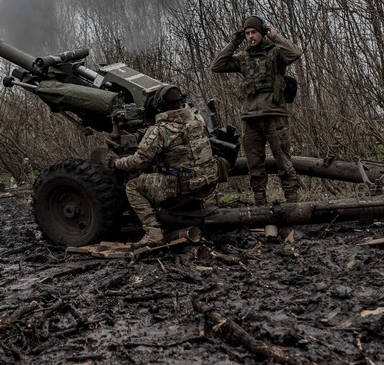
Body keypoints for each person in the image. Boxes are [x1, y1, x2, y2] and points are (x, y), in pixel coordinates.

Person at [109, 85, 221, 248]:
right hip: (208, 182)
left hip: (184, 187)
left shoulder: (160, 130)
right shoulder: (198, 119)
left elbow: (138, 162)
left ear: (160, 106)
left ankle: (153, 233)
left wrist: (115, 163)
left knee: (133, 186)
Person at [210, 15, 303, 210]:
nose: (251, 37)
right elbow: (217, 66)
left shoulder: (276, 53)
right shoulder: (244, 58)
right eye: (247, 33)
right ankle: (260, 205)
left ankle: (293, 204)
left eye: (254, 32)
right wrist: (234, 42)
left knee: (283, 161)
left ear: (262, 33)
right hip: (250, 118)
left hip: (275, 116)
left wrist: (276, 36)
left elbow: (295, 53)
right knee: (255, 165)